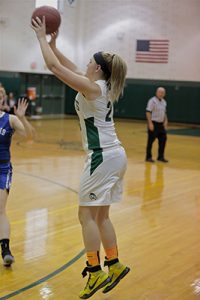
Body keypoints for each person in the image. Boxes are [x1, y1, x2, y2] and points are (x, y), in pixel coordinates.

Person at [31, 17, 130, 299]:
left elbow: (54, 67)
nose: (85, 63)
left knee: (85, 214)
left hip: (102, 157)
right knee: (101, 216)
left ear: (97, 67)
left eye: (89, 61)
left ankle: (95, 269)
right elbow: (68, 65)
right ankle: (114, 264)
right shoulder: (100, 85)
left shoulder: (93, 88)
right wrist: (53, 43)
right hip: (114, 155)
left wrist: (39, 38)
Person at [0, 87, 34, 266]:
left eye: (0, 95)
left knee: (0, 210)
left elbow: (29, 136)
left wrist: (22, 117)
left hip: (2, 169)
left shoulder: (9, 119)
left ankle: (5, 249)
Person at [145, 87, 168, 163]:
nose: (161, 94)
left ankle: (160, 157)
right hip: (153, 123)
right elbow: (148, 112)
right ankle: (148, 157)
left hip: (161, 125)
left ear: (164, 94)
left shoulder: (164, 102)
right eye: (159, 92)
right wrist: (150, 123)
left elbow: (164, 113)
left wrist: (165, 121)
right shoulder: (152, 101)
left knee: (163, 140)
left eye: (162, 93)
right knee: (150, 141)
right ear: (156, 93)